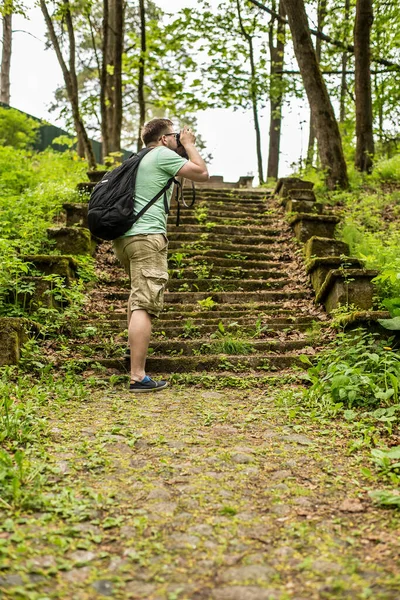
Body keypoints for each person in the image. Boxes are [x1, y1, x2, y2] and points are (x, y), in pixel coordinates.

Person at [113, 118, 209, 392]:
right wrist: (189, 145)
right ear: (164, 139)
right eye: (175, 135)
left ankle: (134, 356)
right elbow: (202, 173)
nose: (179, 138)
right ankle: (138, 375)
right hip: (146, 237)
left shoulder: (139, 158)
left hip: (125, 239)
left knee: (137, 297)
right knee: (145, 302)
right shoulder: (162, 154)